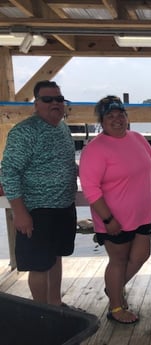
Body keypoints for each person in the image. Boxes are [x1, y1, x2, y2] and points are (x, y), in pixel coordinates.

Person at [79, 95, 151, 324]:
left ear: (127, 117)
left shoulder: (138, 138)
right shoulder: (95, 149)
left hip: (142, 214)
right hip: (114, 219)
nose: (117, 120)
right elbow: (91, 189)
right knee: (118, 261)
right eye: (110, 116)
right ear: (102, 121)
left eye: (120, 114)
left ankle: (113, 289)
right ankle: (116, 307)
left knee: (141, 256)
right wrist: (108, 220)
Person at [1, 80, 77, 306]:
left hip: (64, 206)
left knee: (55, 257)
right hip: (37, 210)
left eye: (59, 99)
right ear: (36, 103)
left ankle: (55, 304)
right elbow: (9, 172)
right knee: (38, 265)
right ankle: (42, 313)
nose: (55, 103)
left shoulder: (62, 127)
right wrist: (20, 213)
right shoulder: (24, 132)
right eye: (48, 99)